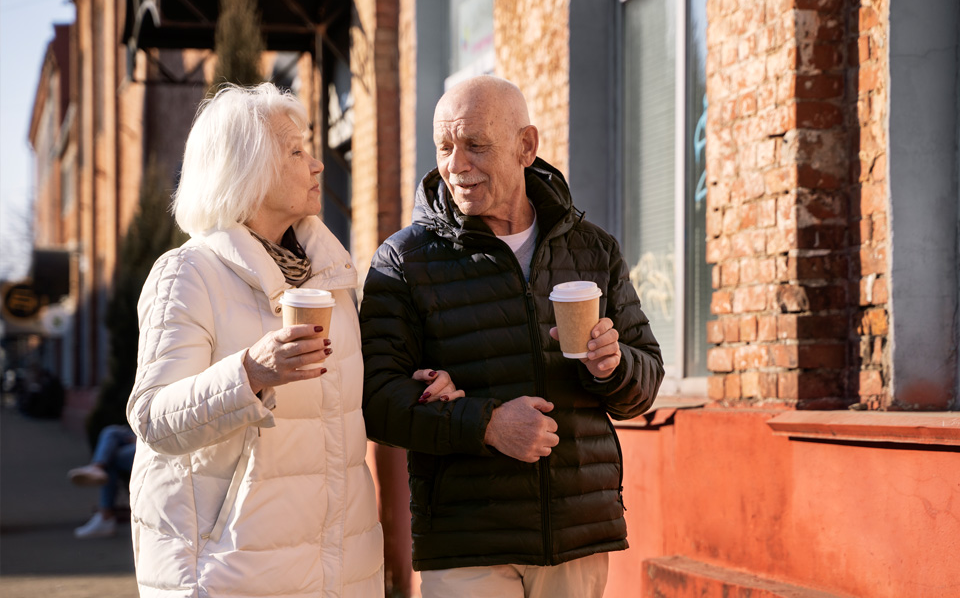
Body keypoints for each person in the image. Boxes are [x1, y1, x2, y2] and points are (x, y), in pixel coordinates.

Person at [125, 83, 460, 597]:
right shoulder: (187, 275)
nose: (318, 164)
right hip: (230, 572)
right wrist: (249, 373)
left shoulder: (331, 278)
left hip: (341, 571)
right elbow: (151, 417)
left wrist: (412, 390)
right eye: (297, 151)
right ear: (247, 168)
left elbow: (345, 405)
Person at [359, 75, 665, 598]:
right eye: (445, 148)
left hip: (575, 535)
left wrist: (613, 368)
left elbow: (646, 383)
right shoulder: (402, 261)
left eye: (476, 146)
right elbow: (378, 402)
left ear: (526, 146)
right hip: (467, 542)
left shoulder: (594, 250)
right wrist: (488, 425)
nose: (456, 165)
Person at [68, 424, 136, 539]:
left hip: (157, 442)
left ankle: (105, 516)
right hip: (144, 436)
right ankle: (97, 467)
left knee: (112, 459)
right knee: (111, 431)